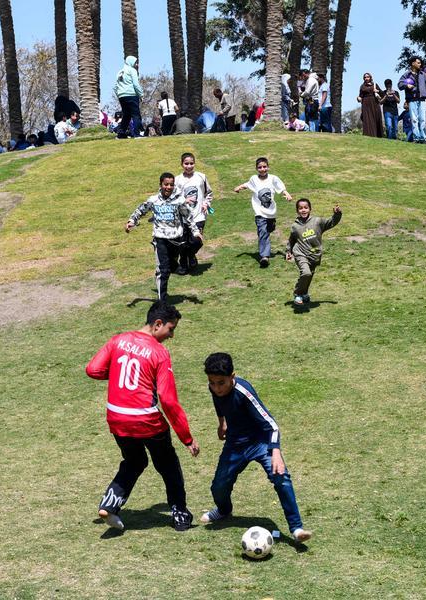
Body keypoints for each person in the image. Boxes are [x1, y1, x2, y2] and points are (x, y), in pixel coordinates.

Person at [85, 301, 200, 532]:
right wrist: (187, 438)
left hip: (116, 417)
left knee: (134, 461)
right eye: (171, 329)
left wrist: (117, 374)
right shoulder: (159, 353)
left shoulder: (118, 340)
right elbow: (168, 400)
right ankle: (180, 514)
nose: (172, 335)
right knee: (168, 465)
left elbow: (93, 369)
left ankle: (109, 504)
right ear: (157, 324)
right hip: (146, 420)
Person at [200, 353, 313, 542]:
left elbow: (272, 425)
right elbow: (218, 403)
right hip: (235, 444)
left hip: (260, 442)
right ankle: (224, 510)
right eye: (212, 383)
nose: (216, 388)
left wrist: (275, 452)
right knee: (219, 487)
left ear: (232, 377)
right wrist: (222, 423)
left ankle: (296, 529)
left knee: (281, 478)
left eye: (221, 383)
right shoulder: (214, 389)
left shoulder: (244, 393)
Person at [126, 172, 203, 302]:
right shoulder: (153, 200)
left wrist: (195, 232)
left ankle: (174, 267)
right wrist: (132, 221)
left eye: (171, 185)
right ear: (160, 185)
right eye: (166, 184)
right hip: (160, 239)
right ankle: (163, 302)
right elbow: (141, 209)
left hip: (176, 241)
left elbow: (188, 216)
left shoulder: (179, 201)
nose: (168, 187)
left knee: (171, 266)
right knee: (163, 270)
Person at [233, 157, 293, 268]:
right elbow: (247, 184)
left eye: (264, 166)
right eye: (260, 167)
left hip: (271, 212)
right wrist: (239, 187)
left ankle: (266, 242)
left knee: (269, 230)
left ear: (268, 167)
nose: (262, 169)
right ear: (256, 168)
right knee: (263, 232)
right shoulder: (254, 179)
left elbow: (281, 188)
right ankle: (265, 256)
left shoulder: (273, 178)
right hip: (259, 212)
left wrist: (287, 194)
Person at [285, 199, 342, 307]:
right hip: (300, 253)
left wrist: (337, 214)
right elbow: (291, 240)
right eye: (300, 208)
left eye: (305, 207)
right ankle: (298, 294)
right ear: (297, 211)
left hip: (314, 255)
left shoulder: (317, 221)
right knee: (306, 273)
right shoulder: (295, 226)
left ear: (310, 209)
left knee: (309, 275)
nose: (303, 210)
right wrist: (288, 251)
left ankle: (304, 293)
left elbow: (331, 222)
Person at [175, 152, 213, 274]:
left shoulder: (201, 177)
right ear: (182, 164)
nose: (189, 166)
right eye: (186, 164)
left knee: (196, 241)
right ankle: (183, 264)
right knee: (182, 242)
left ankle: (191, 255)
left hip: (198, 215)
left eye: (191, 163)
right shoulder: (177, 180)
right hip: (182, 217)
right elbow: (172, 198)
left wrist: (206, 204)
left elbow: (209, 193)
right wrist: (183, 201)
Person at [399, 56, 426, 143]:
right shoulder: (406, 74)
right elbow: (400, 84)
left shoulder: (423, 74)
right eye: (418, 63)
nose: (420, 64)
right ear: (413, 63)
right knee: (414, 120)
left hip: (422, 99)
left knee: (423, 119)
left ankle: (423, 138)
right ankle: (416, 138)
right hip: (412, 99)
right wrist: (406, 85)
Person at [114, 56, 144, 139]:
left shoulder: (120, 72)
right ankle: (137, 134)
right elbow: (136, 84)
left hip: (122, 96)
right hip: (131, 95)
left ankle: (121, 134)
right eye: (135, 63)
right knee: (136, 115)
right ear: (131, 62)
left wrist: (119, 95)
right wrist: (141, 94)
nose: (137, 65)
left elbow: (115, 87)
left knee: (126, 115)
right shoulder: (132, 70)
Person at [357, 73, 383, 138]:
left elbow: (382, 93)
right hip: (366, 104)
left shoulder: (375, 85)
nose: (366, 78)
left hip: (374, 103)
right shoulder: (362, 86)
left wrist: (377, 91)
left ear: (370, 77)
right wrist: (358, 98)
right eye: (365, 77)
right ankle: (368, 135)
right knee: (367, 119)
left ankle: (377, 135)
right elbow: (360, 96)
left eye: (368, 77)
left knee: (376, 117)